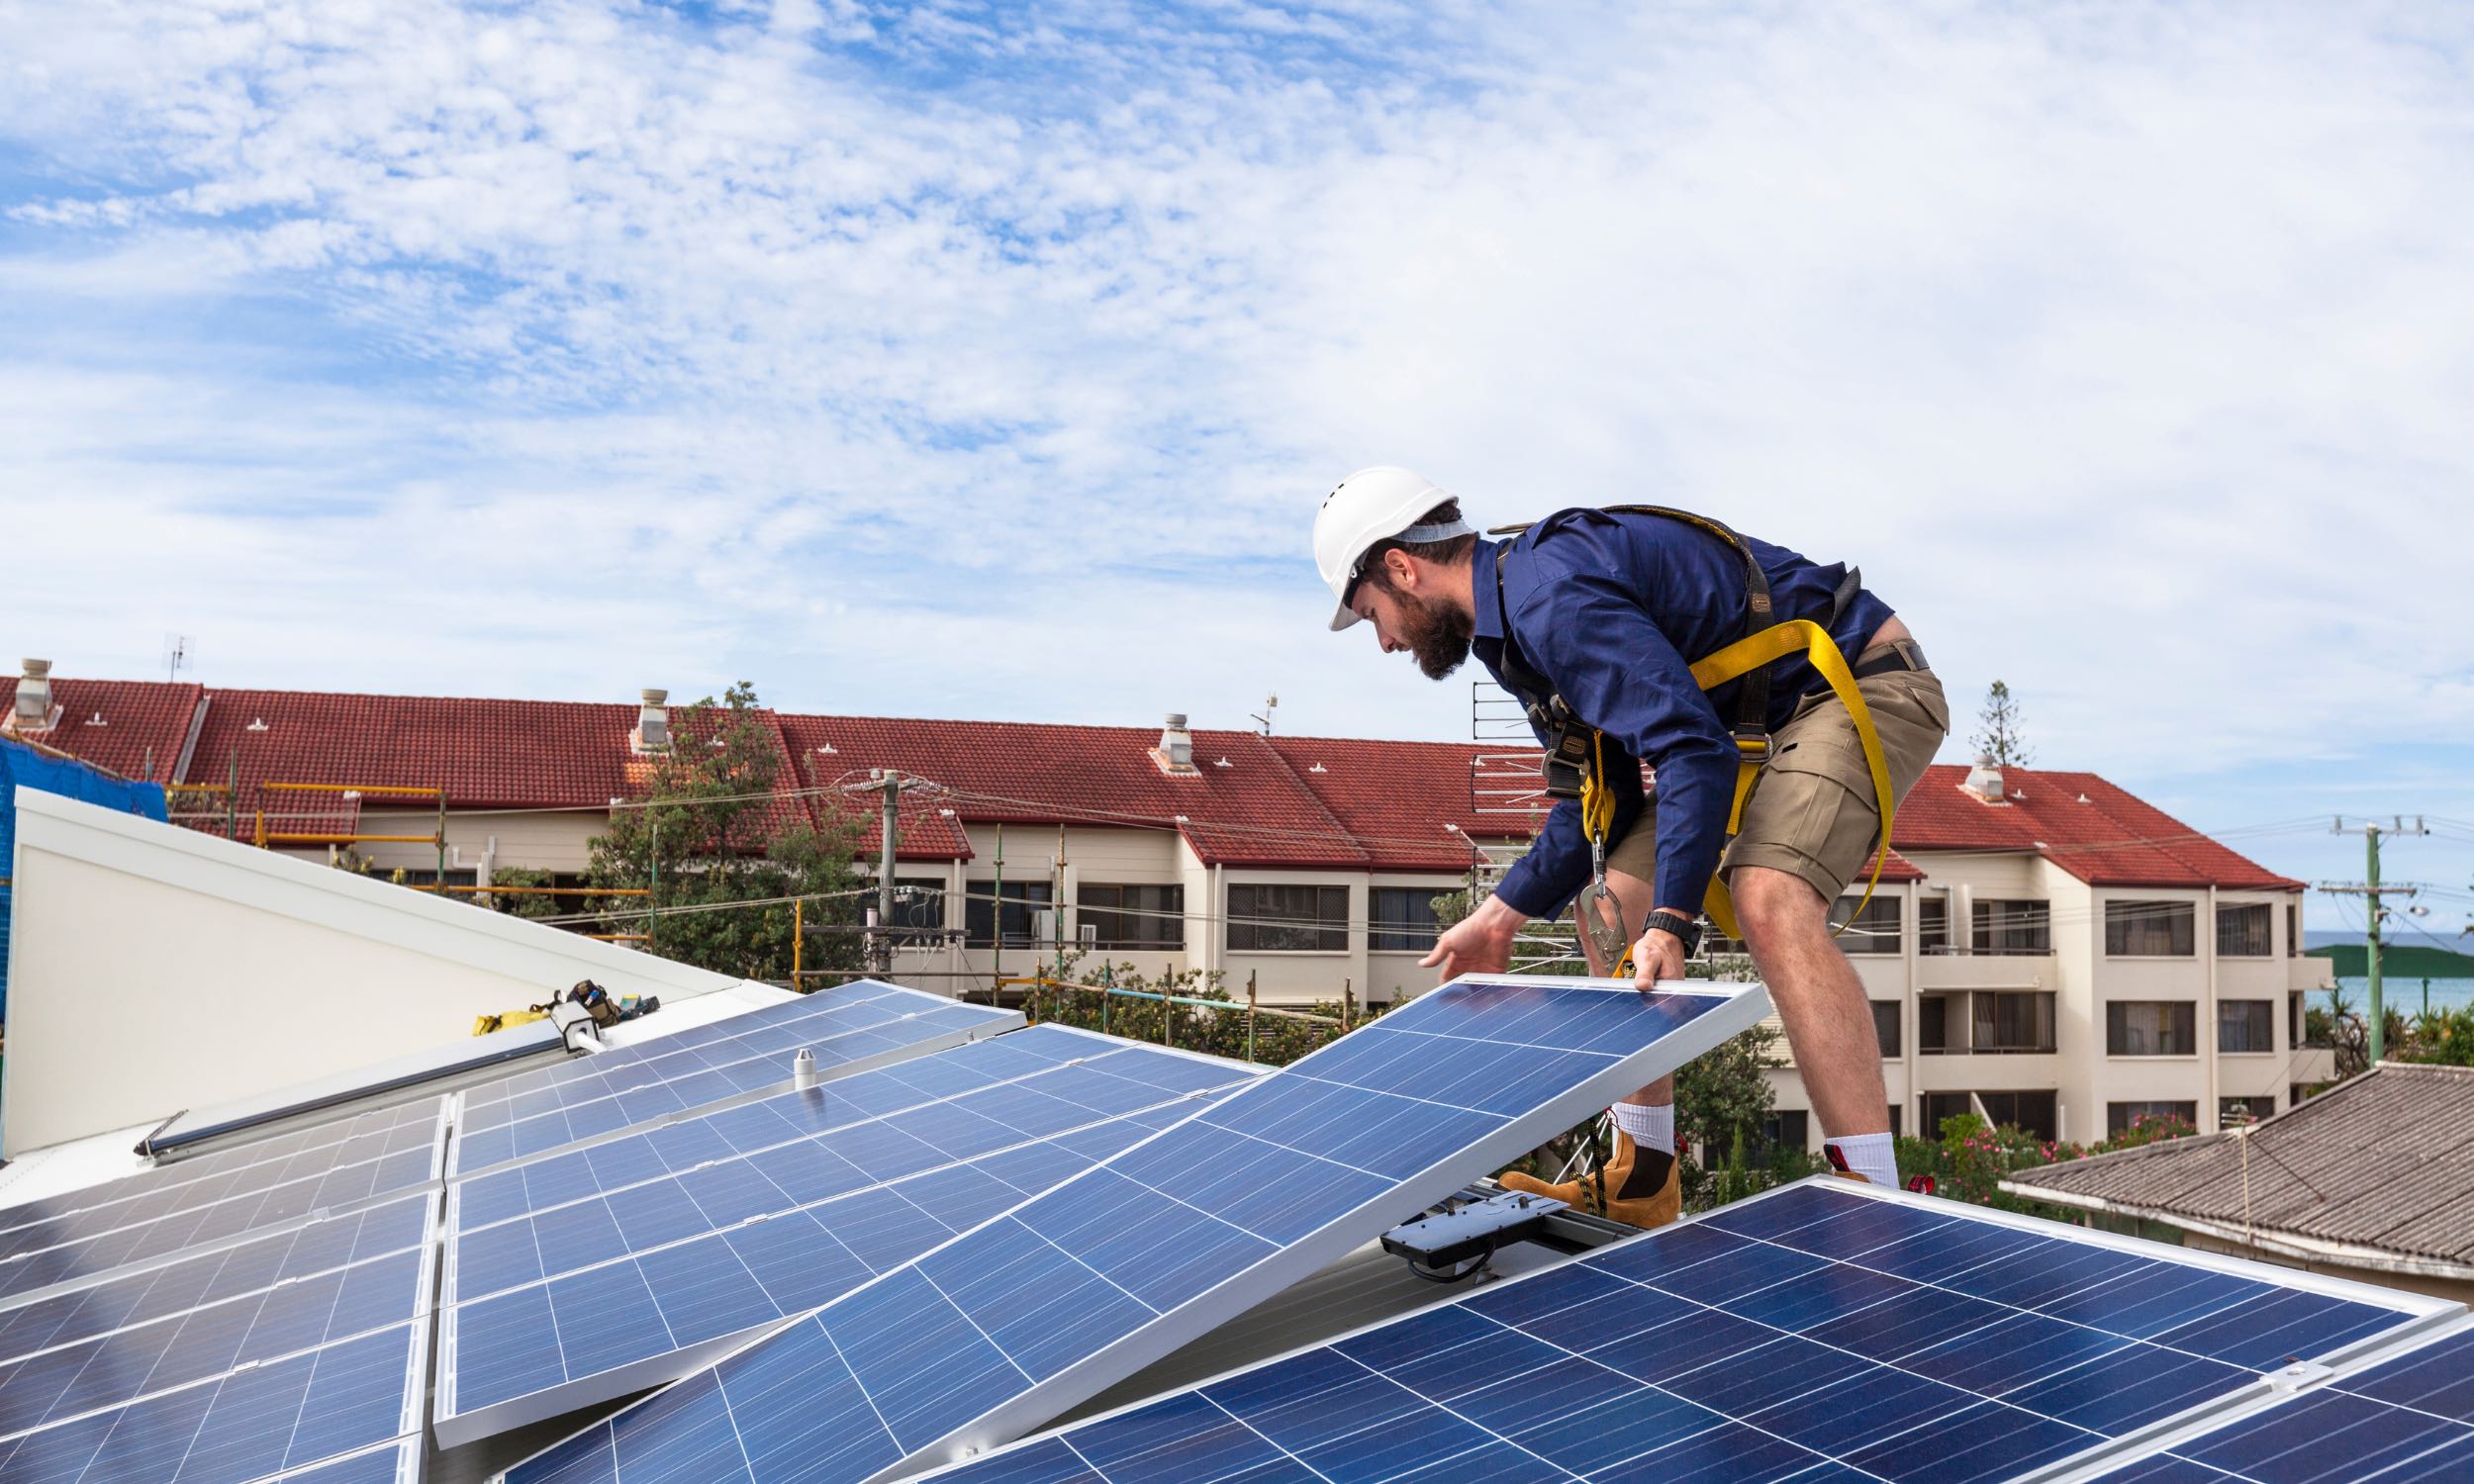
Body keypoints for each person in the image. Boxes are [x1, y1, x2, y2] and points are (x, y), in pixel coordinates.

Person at [1313, 466, 1948, 1227]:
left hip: (1855, 681)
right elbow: (1599, 801)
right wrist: (1500, 918)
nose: (1384, 641)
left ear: (1401, 567)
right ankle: (1643, 1180)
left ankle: (1873, 1203)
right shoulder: (1510, 630)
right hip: (1745, 725)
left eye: (1373, 614)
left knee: (1768, 897)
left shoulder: (1550, 597)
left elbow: (1692, 752)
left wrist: (1672, 921)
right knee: (1612, 904)